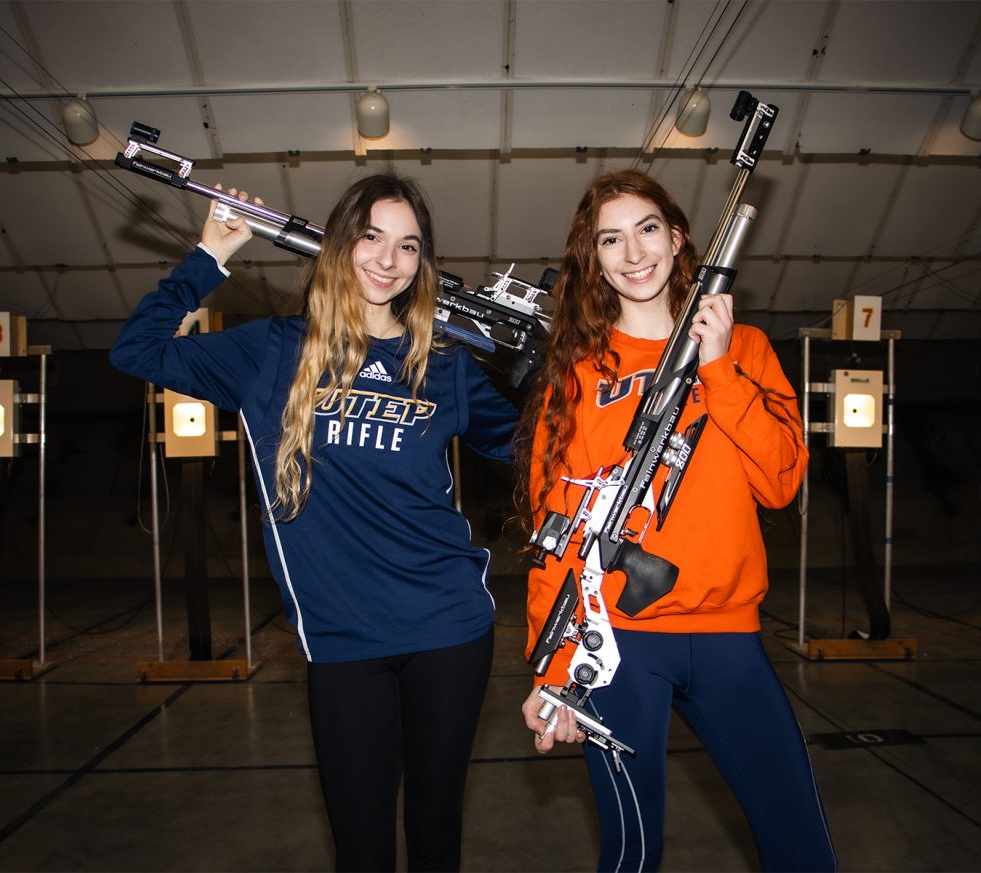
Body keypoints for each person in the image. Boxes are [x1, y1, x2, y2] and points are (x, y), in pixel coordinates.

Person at [111, 173, 518, 872]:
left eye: (408, 245)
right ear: (338, 244)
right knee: (360, 846)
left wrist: (552, 366)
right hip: (343, 640)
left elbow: (537, 445)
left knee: (434, 834)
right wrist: (209, 255)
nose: (388, 261)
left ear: (425, 262)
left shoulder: (443, 366)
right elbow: (136, 350)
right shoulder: (272, 350)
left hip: (450, 626)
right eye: (371, 238)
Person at [517, 170, 836, 872]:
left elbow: (782, 481)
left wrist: (718, 368)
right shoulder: (576, 373)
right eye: (611, 238)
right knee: (632, 851)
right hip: (620, 641)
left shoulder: (745, 349)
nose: (633, 252)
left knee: (801, 842)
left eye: (648, 229)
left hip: (729, 635)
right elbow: (554, 530)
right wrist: (555, 667)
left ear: (679, 235)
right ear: (592, 258)